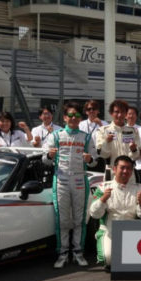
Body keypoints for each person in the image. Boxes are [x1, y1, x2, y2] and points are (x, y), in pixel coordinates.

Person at [43, 101, 97, 268]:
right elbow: (44, 160)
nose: (74, 118)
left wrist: (90, 159)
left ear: (80, 118)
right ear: (65, 118)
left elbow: (95, 162)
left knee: (79, 218)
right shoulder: (55, 136)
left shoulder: (86, 137)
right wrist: (50, 156)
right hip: (61, 180)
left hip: (80, 180)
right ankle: (63, 252)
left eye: (77, 115)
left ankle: (78, 252)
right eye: (70, 115)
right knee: (63, 218)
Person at [89, 155, 141, 268]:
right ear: (114, 169)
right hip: (110, 230)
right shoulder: (103, 188)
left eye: (128, 168)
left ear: (132, 171)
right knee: (108, 258)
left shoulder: (139, 188)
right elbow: (94, 214)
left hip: (132, 231)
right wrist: (102, 199)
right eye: (122, 168)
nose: (125, 171)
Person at [96, 99, 141, 168]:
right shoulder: (102, 130)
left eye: (122, 112)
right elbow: (103, 155)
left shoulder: (133, 131)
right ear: (111, 113)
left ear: (126, 114)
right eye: (116, 112)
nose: (119, 115)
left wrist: (134, 150)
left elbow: (136, 156)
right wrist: (107, 142)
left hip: (128, 172)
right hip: (112, 171)